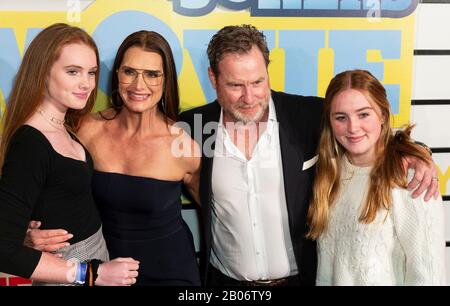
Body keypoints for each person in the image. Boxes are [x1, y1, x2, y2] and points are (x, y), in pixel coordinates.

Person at [178, 25, 439, 286]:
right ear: (213, 78)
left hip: (301, 281)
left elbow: (361, 130)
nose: (249, 97)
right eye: (235, 85)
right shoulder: (193, 127)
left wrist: (414, 154)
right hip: (225, 284)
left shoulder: (307, 115)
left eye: (258, 82)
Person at [26, 30, 201, 286]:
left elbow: (214, 213)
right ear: (117, 74)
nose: (139, 86)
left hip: (171, 274)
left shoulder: (184, 146)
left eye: (152, 74)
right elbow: (41, 192)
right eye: (130, 72)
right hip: (101, 272)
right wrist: (26, 233)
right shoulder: (85, 129)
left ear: (166, 80)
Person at [0, 23, 139, 286]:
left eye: (91, 72)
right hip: (70, 274)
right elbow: (4, 250)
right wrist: (90, 274)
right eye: (73, 71)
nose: (86, 84)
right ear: (42, 73)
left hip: (95, 258)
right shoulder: (30, 143)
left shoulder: (63, 126)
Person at [307, 69, 446, 285]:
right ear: (330, 121)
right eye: (341, 117)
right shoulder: (328, 174)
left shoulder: (410, 178)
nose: (353, 128)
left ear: (382, 114)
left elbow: (428, 275)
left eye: (363, 114)